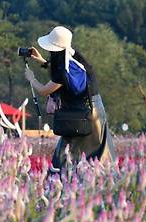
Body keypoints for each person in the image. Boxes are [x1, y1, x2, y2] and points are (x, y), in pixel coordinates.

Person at [24, 26, 115, 174]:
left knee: (65, 154)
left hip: (81, 117)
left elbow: (44, 90)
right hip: (95, 113)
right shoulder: (75, 58)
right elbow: (65, 74)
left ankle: (59, 185)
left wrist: (31, 78)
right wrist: (42, 61)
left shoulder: (62, 71)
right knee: (100, 157)